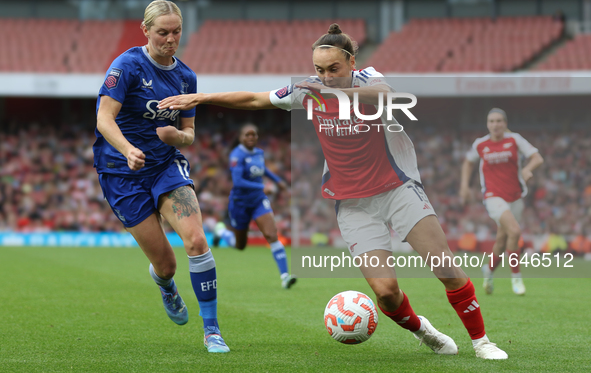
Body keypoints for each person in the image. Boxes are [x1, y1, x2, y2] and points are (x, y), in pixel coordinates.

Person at [159, 23, 508, 359]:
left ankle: (482, 342)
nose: (325, 76)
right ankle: (423, 331)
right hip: (353, 204)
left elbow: (385, 95)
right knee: (386, 293)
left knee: (444, 267)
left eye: (333, 68)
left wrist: (333, 91)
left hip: (397, 189)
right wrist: (201, 97)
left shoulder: (369, 78)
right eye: (319, 70)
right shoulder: (307, 90)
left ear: (351, 63)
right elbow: (253, 99)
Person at [93, 0, 229, 353]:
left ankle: (211, 330)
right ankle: (166, 286)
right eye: (162, 32)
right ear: (146, 30)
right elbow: (104, 118)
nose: (170, 39)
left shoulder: (186, 76)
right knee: (166, 265)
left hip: (166, 167)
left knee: (197, 241)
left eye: (176, 32)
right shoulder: (127, 67)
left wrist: (176, 138)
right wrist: (127, 149)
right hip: (121, 172)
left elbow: (189, 133)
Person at [460, 108, 543, 296]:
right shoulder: (480, 144)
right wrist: (464, 185)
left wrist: (528, 169)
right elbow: (467, 162)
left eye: (499, 121)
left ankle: (488, 271)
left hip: (515, 196)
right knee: (514, 231)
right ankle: (516, 279)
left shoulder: (515, 139)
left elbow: (537, 158)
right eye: (491, 121)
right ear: (487, 124)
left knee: (502, 239)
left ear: (505, 123)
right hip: (493, 196)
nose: (495, 124)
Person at [213, 123, 296, 289]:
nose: (251, 138)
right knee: (240, 245)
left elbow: (262, 169)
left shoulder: (259, 153)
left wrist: (278, 181)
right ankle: (221, 232)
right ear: (241, 138)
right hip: (240, 203)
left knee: (272, 235)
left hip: (258, 201)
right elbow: (238, 182)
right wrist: (262, 186)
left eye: (254, 135)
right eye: (247, 135)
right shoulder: (236, 155)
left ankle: (285, 276)